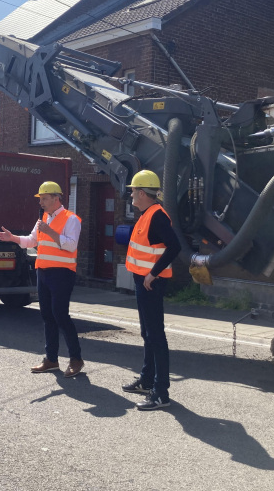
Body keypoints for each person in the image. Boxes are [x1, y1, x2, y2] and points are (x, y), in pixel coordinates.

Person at [0, 181, 84, 378]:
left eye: (44, 198)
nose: (41, 202)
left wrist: (50, 231)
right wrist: (13, 238)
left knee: (60, 315)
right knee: (47, 316)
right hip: (43, 272)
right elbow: (32, 241)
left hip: (62, 273)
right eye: (40, 199)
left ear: (56, 198)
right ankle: (51, 359)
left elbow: (70, 246)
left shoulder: (71, 219)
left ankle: (76, 359)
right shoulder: (43, 219)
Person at [122, 170, 181, 410]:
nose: (132, 194)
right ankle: (147, 381)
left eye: (134, 190)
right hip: (143, 281)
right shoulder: (147, 213)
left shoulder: (156, 215)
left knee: (156, 336)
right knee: (148, 334)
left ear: (144, 193)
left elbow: (174, 247)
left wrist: (153, 273)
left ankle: (160, 393)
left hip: (150, 283)